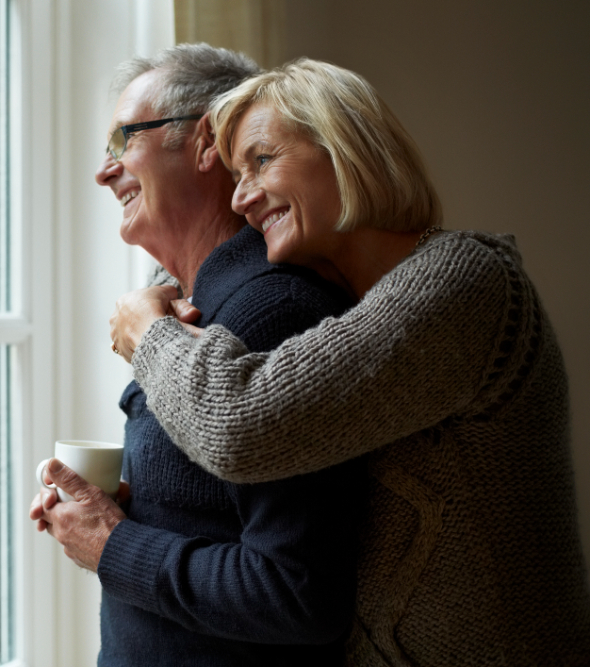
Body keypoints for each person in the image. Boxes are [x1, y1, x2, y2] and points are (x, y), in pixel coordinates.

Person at [107, 58, 590, 665]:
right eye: (233, 175)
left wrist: (148, 330)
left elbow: (241, 425)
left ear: (345, 148)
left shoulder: (466, 285)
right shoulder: (352, 306)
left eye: (261, 160)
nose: (242, 196)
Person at [30, 45, 366, 666]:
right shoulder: (189, 306)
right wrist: (115, 517)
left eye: (124, 141)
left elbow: (297, 595)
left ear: (208, 141)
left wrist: (112, 545)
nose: (105, 174)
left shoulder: (273, 313)